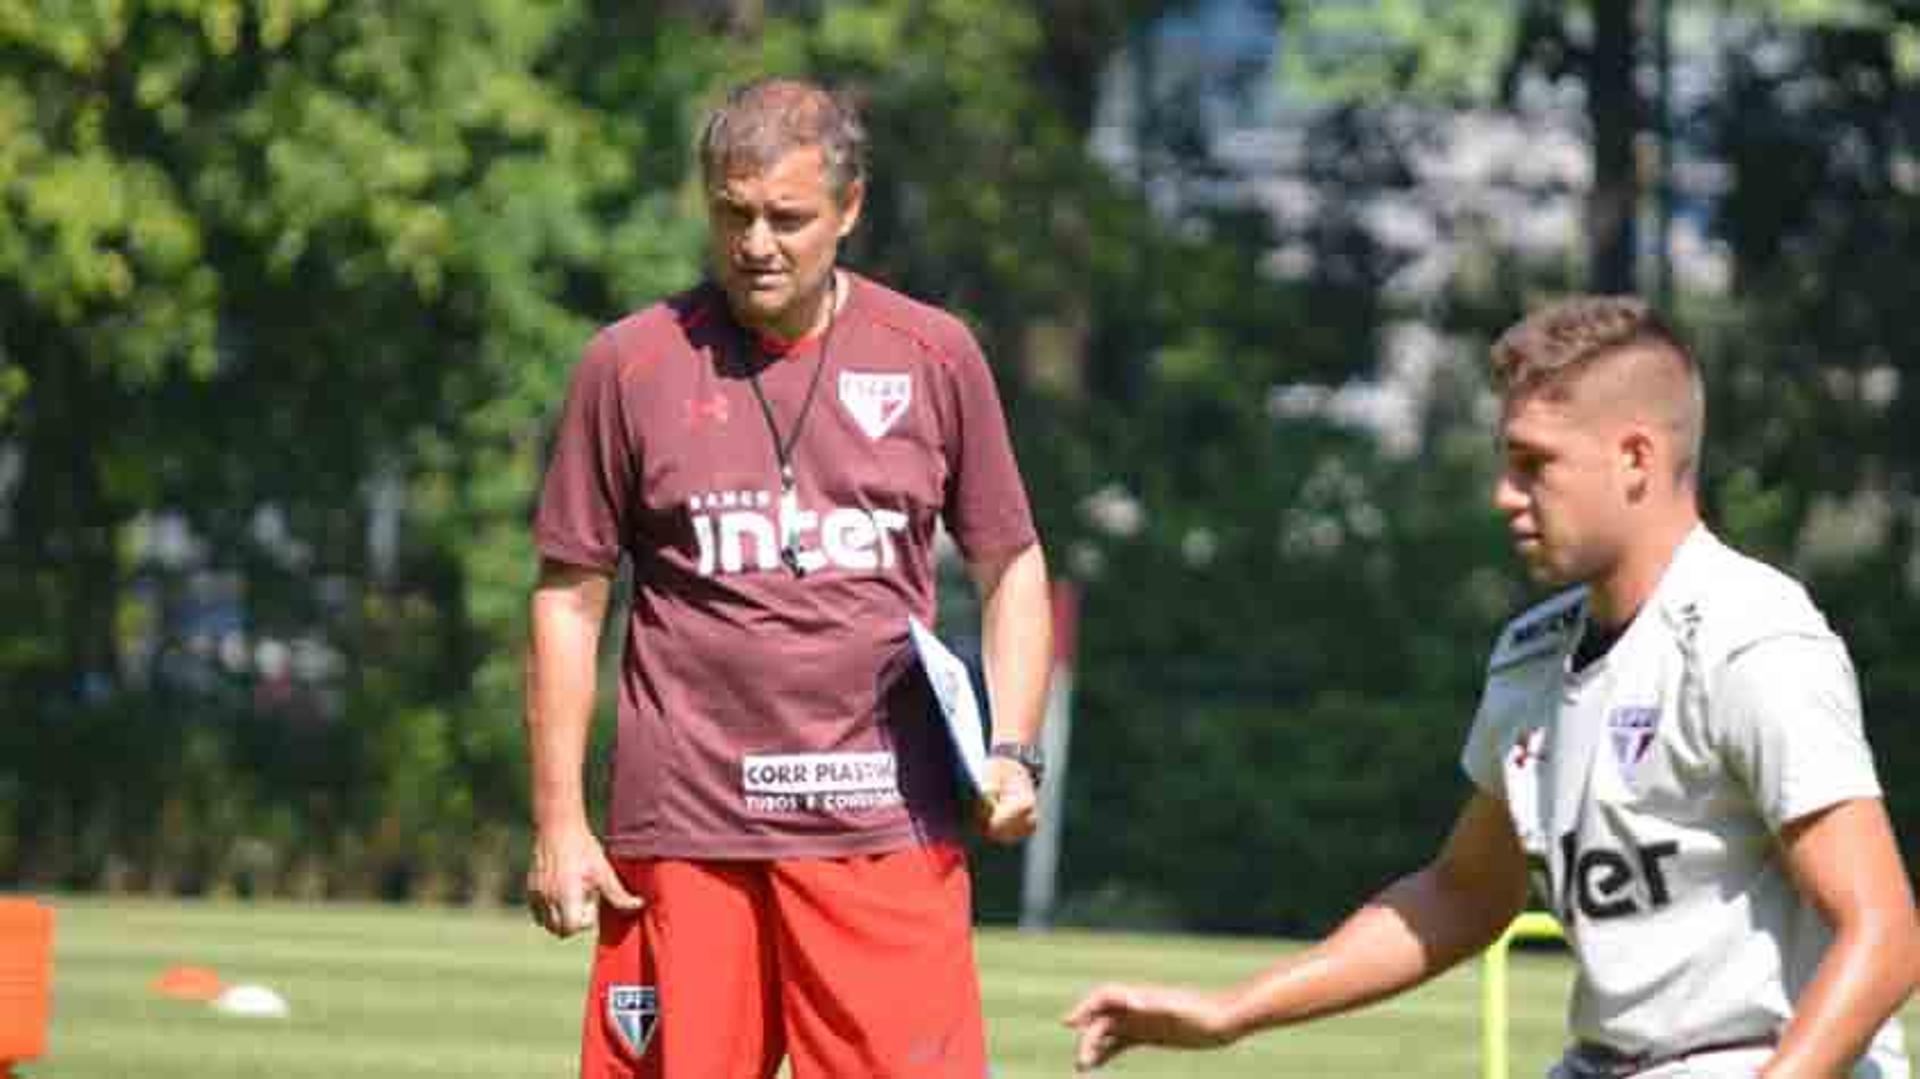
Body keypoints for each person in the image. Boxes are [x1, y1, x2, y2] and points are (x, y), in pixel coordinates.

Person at [1065, 296, 1919, 1077]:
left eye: (1533, 464)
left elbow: (1884, 935)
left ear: (1635, 457)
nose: (1504, 495)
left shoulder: (1751, 637)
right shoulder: (1533, 654)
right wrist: (1232, 1012)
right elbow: (1464, 892)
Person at [523, 77, 1054, 1079]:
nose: (755, 243)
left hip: (883, 825)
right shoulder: (628, 366)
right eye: (732, 213)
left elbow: (1011, 560)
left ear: (848, 210)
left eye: (787, 217)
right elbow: (568, 596)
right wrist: (558, 817)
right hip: (684, 832)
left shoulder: (934, 355)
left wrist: (1014, 748)